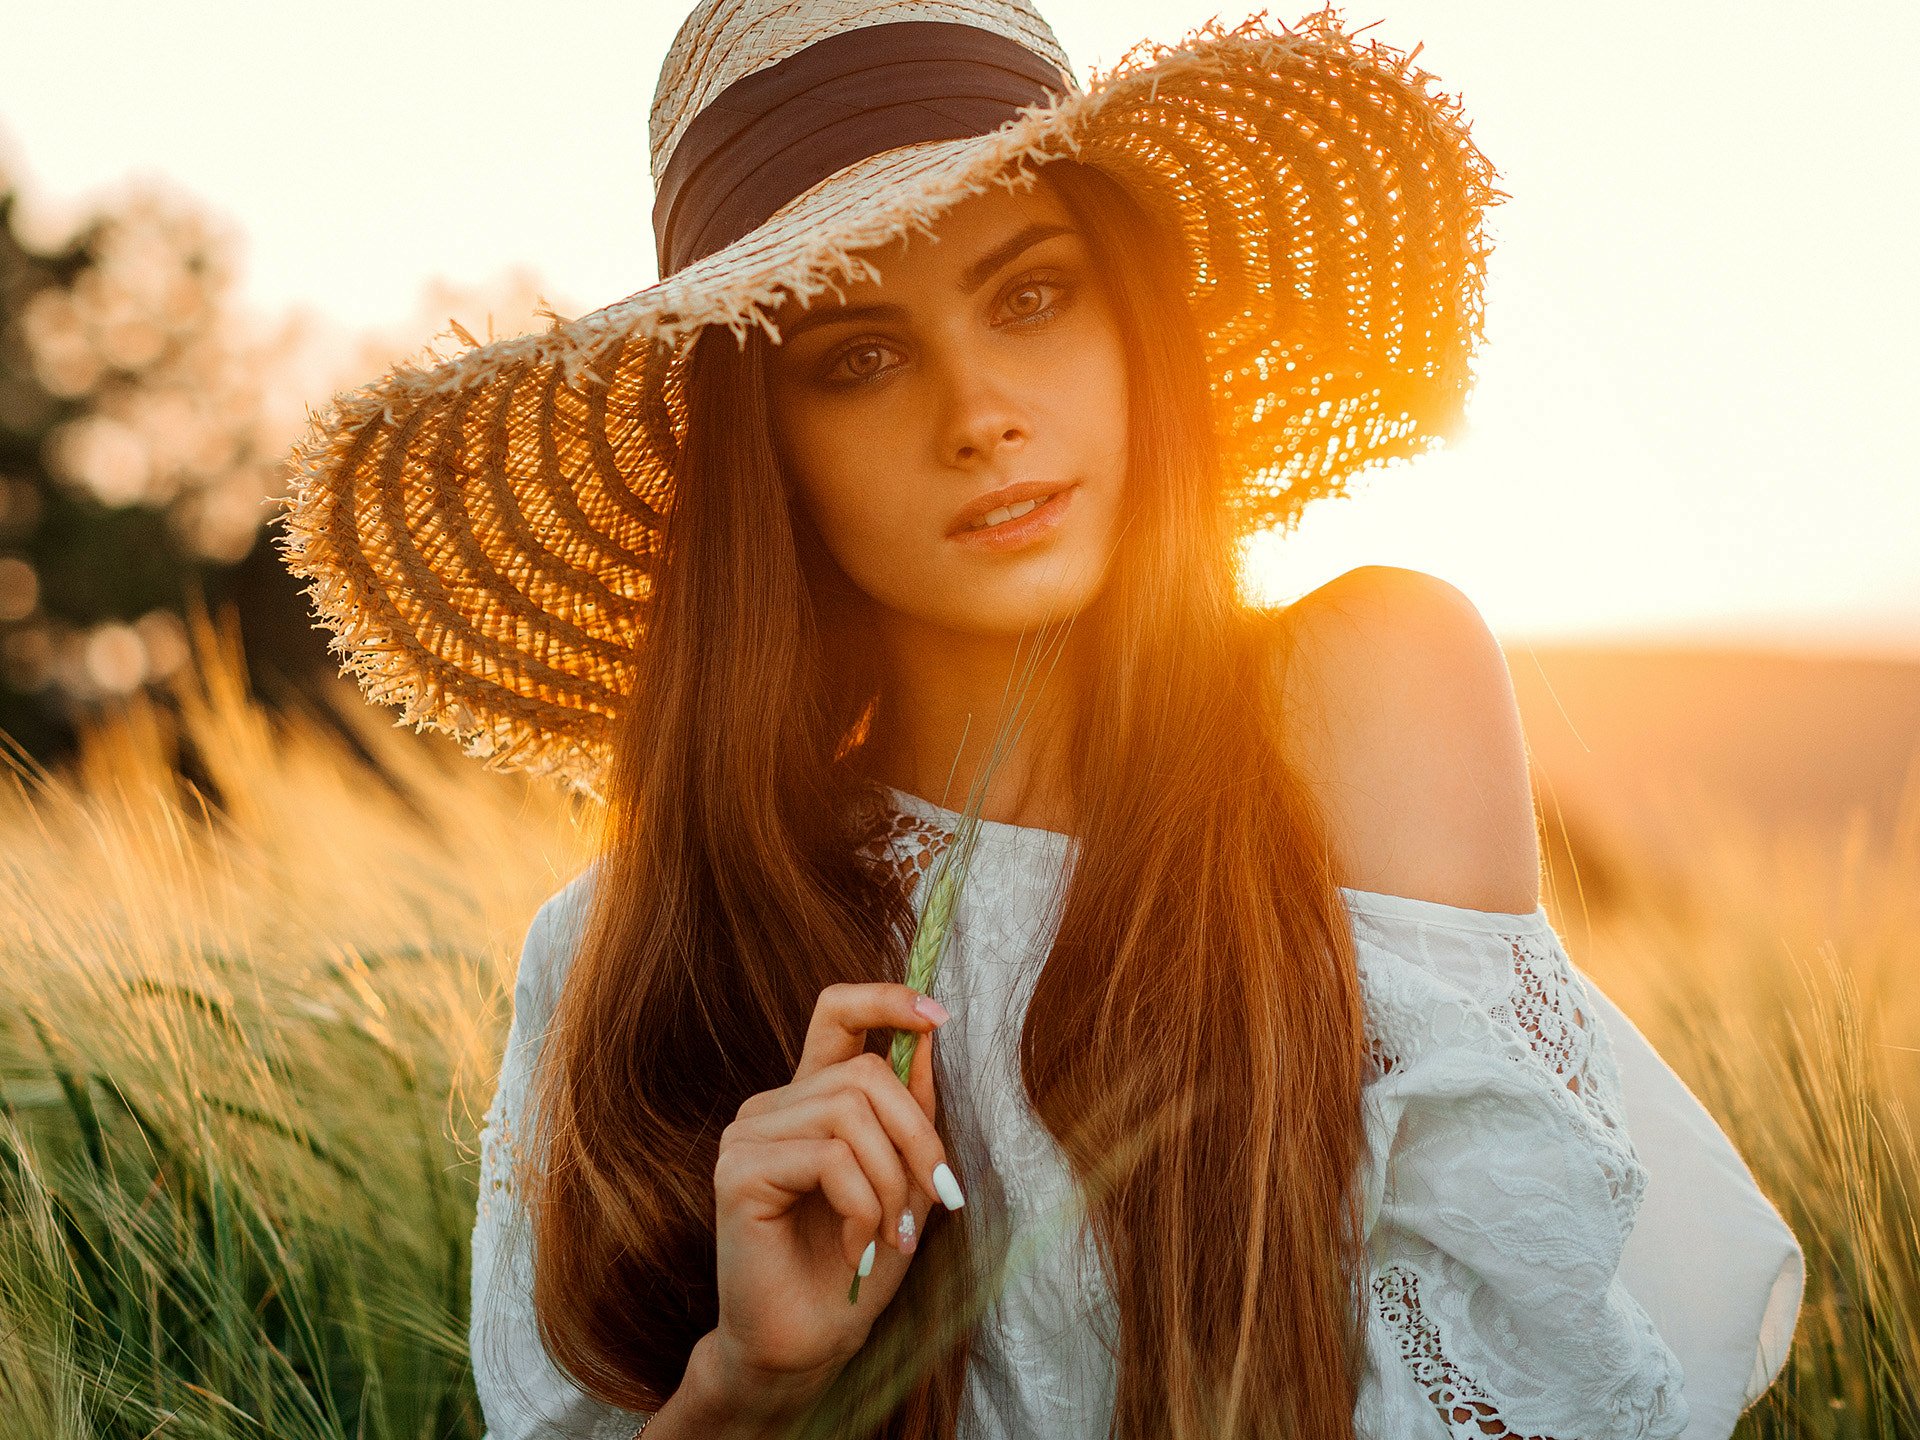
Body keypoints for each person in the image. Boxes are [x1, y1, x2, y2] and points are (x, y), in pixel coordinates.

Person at [277, 2, 1803, 1437]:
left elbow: (1507, 1378)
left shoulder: (1367, 688)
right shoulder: (624, 951)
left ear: (1135, 321)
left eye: (1032, 295)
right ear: (767, 453)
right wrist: (747, 1389)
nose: (979, 412)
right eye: (858, 358)